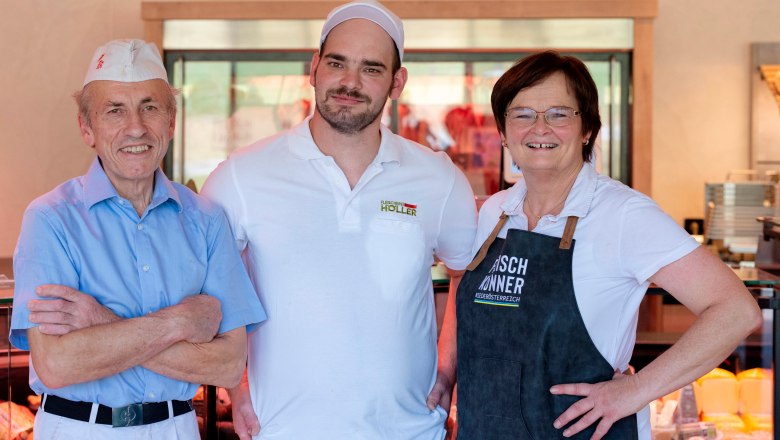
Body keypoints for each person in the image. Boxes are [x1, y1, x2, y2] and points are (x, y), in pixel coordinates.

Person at [428, 51, 763, 439]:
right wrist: (447, 372)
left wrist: (635, 390)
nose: (540, 128)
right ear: (503, 132)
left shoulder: (623, 214)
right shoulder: (494, 213)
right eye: (522, 114)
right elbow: (461, 288)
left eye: (558, 114)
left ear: (587, 128)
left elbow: (736, 311)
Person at [200, 1, 477, 438]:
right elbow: (207, 284)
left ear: (397, 82)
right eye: (337, 63)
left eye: (371, 68)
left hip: (409, 431)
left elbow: (469, 274)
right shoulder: (241, 176)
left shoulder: (438, 179)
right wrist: (238, 383)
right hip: (283, 431)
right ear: (314, 68)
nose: (350, 82)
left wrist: (447, 369)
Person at [10, 39, 267, 439]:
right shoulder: (50, 218)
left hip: (176, 427)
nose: (136, 127)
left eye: (150, 107)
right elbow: (57, 365)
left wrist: (100, 321)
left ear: (171, 122)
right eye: (115, 110)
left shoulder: (206, 220)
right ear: (86, 128)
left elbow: (228, 366)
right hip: (80, 429)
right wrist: (181, 321)